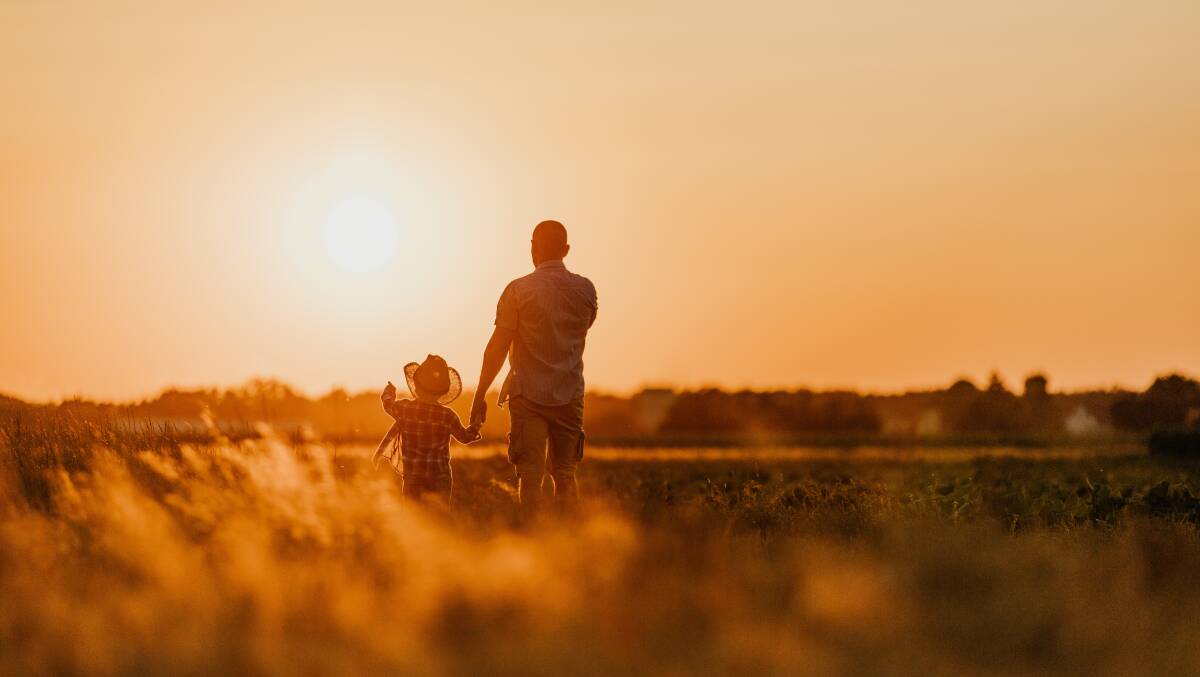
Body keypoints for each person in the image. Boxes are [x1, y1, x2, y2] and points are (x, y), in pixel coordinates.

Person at [470, 220, 598, 508]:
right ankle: (566, 537)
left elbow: (498, 347)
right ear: (566, 249)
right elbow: (584, 329)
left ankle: (532, 536)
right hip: (571, 393)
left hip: (527, 395)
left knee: (529, 474)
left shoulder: (518, 290)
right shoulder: (587, 290)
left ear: (533, 247)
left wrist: (480, 394)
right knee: (565, 473)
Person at [374, 354, 480, 506]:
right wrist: (476, 425)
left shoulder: (405, 409)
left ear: (416, 384)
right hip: (440, 479)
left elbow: (388, 404)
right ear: (442, 391)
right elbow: (465, 437)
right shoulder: (448, 416)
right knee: (440, 521)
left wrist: (388, 392)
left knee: (416, 519)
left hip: (414, 479)